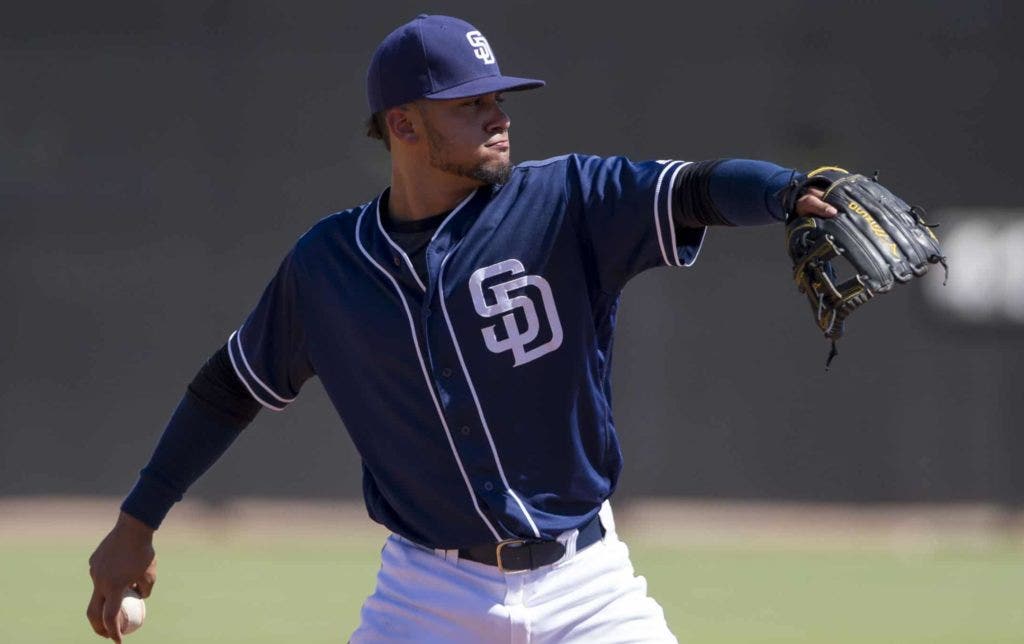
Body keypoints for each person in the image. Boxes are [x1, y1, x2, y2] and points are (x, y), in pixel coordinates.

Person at [86, 14, 838, 643]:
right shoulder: (328, 266)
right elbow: (229, 389)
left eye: (498, 98)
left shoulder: (565, 200)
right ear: (402, 123)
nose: (498, 115)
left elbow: (693, 189)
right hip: (425, 600)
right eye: (470, 103)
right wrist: (136, 523)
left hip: (587, 589)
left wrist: (788, 192)